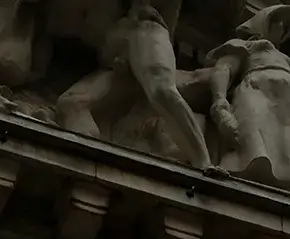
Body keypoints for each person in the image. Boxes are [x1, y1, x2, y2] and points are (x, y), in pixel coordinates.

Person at [56, 0, 216, 171]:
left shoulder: (147, 21)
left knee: (162, 92)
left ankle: (203, 163)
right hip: (120, 58)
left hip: (144, 32)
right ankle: (89, 159)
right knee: (71, 102)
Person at [206, 4, 290, 195]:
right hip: (258, 94)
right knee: (255, 143)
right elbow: (224, 69)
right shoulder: (248, 45)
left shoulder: (286, 60)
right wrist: (220, 101)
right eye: (276, 21)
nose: (281, 26)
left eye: (285, 24)